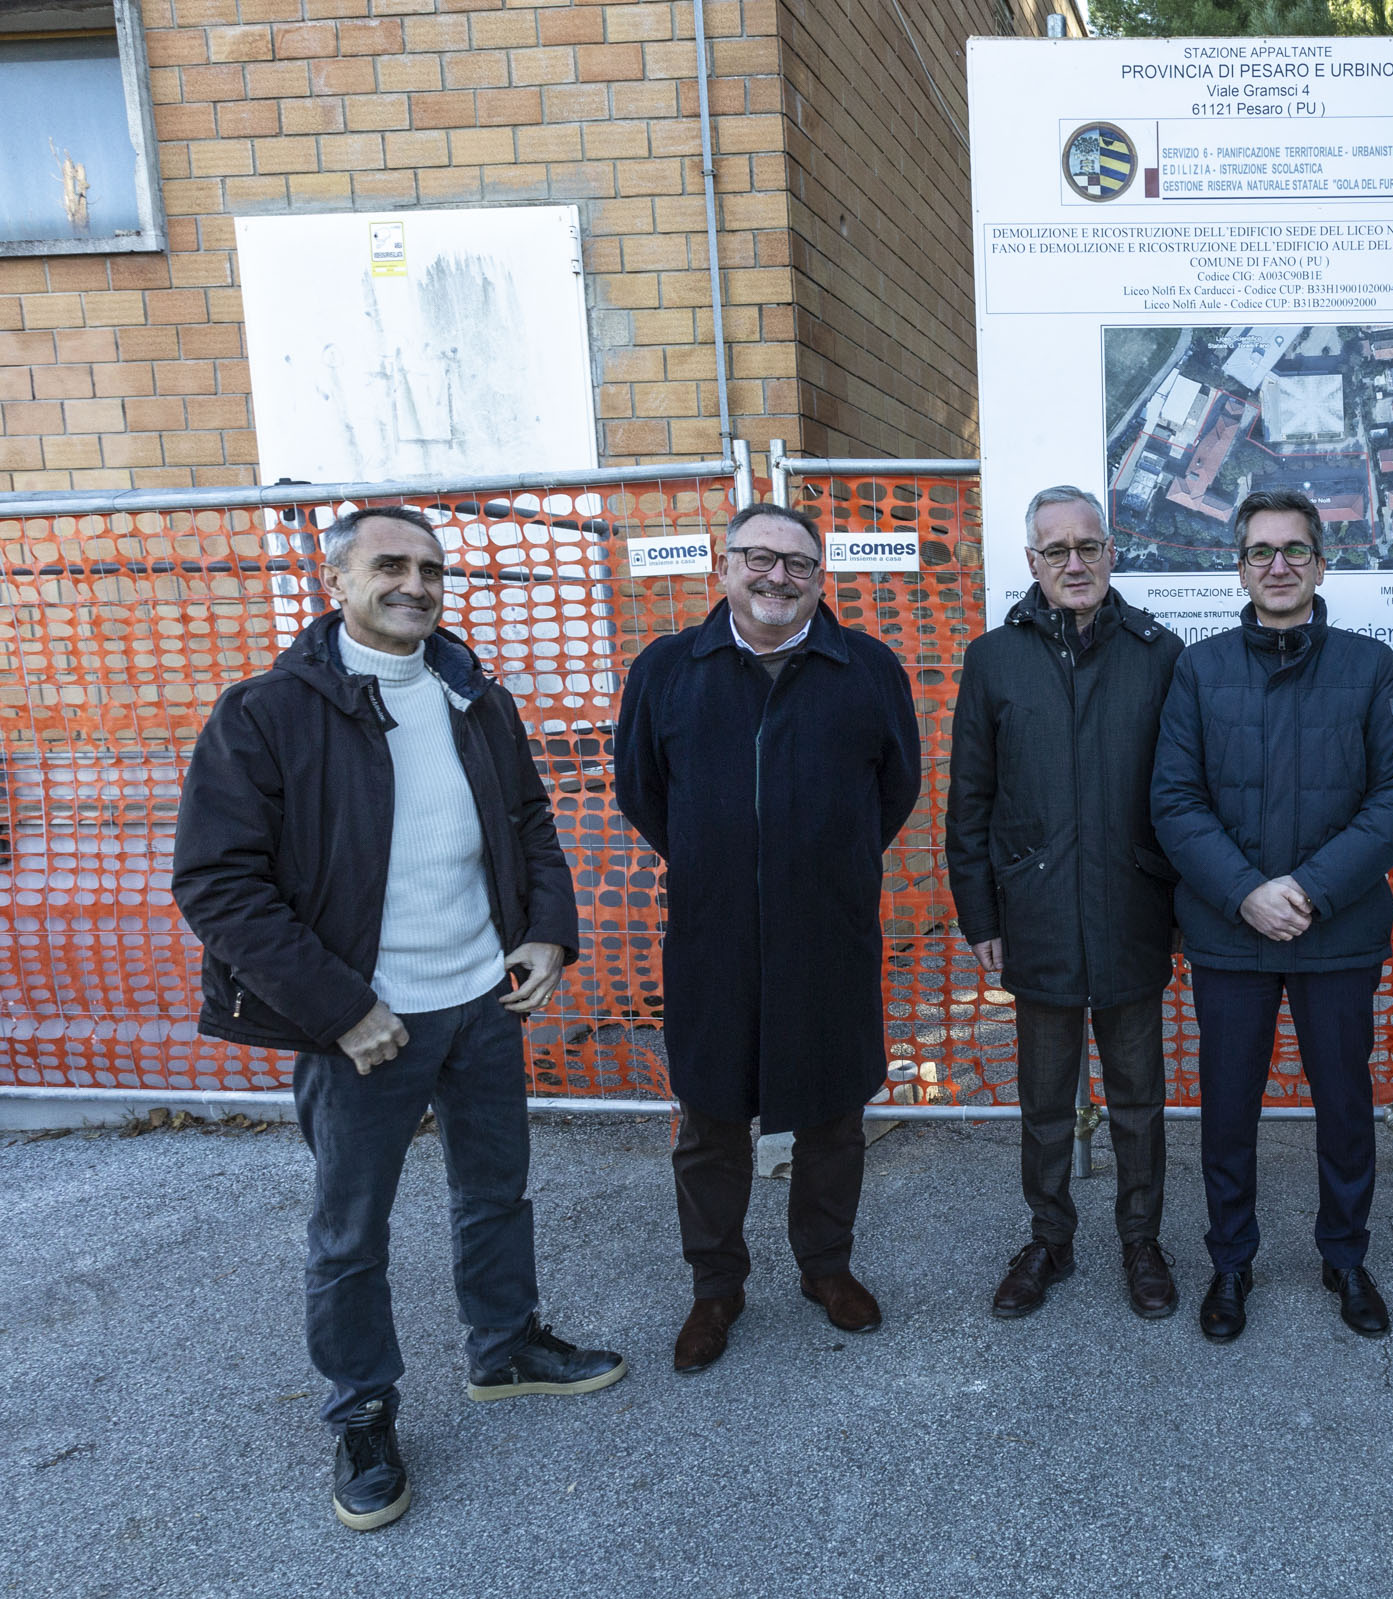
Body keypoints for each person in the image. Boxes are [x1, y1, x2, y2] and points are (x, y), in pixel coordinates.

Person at [172, 504, 622, 1533]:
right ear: (336, 581)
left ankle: (504, 1348)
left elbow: (529, 823)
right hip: (364, 1027)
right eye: (389, 565)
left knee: (496, 1190)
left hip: (482, 1001)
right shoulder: (265, 713)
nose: (414, 584)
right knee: (350, 1232)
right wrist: (343, 1008)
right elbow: (217, 882)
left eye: (430, 568)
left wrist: (546, 933)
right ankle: (362, 1414)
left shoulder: (474, 696)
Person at [613, 501, 921, 1373]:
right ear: (725, 567)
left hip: (828, 936)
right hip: (712, 939)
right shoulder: (668, 668)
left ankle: (826, 1267)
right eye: (759, 557)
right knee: (710, 1121)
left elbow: (895, 789)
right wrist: (718, 859)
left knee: (833, 1115)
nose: (777, 576)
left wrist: (825, 863)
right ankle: (716, 1287)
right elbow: (643, 789)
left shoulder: (868, 668)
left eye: (798, 563)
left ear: (820, 578)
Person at [1151, 487, 1393, 1343]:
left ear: (1320, 563)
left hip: (1336, 932)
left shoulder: (1371, 666)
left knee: (1344, 1106)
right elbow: (1174, 799)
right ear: (1239, 567)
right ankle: (1231, 1261)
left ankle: (1345, 1256)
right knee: (1227, 1108)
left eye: (1295, 549)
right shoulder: (1198, 670)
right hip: (1229, 934)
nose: (1278, 565)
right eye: (1261, 551)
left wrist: (1307, 888)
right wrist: (1245, 891)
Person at [947, 485, 1185, 1321]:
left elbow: (1184, 793)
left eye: (1089, 546)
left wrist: (1182, 907)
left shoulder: (1160, 653)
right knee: (1045, 1100)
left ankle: (1142, 1241)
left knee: (1139, 1098)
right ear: (1032, 561)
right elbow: (969, 800)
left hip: (1132, 907)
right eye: (1057, 550)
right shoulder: (993, 659)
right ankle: (1049, 1239)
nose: (1075, 563)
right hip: (1036, 912)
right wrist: (980, 915)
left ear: (1112, 552)